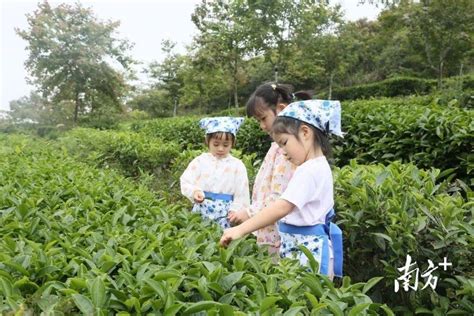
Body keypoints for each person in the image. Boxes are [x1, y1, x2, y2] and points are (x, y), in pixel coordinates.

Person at [221, 100, 344, 278]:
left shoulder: (309, 171)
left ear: (305, 132)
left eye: (284, 143)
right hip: (305, 248)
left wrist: (240, 230)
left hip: (309, 253)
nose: (283, 152)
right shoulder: (317, 166)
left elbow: (281, 207)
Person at [227, 82, 312, 255]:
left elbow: (280, 199)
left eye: (263, 118)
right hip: (270, 234)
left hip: (282, 239)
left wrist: (250, 213)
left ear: (280, 110)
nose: (262, 126)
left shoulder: (290, 151)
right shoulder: (277, 147)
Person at [180, 116, 250, 230]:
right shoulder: (200, 161)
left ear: (233, 143)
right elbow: (186, 180)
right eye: (216, 144)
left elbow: (242, 192)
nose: (221, 149)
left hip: (225, 214)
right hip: (202, 208)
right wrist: (195, 191)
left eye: (226, 145)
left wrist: (236, 210)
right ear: (208, 142)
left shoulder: (237, 165)